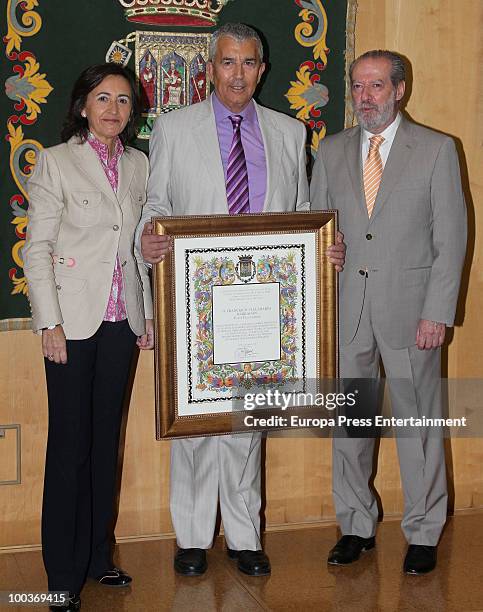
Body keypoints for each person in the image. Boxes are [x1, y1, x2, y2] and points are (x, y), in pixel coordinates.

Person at [137, 23, 345, 578]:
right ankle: (193, 537)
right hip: (193, 295)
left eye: (249, 63)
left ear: (262, 68)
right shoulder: (174, 128)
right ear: (211, 67)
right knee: (197, 422)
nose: (238, 74)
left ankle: (246, 536)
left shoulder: (287, 131)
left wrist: (325, 251)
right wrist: (147, 238)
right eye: (228, 62)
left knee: (249, 420)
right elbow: (156, 201)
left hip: (264, 300)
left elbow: (301, 213)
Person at [310, 50, 467, 575]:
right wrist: (326, 253)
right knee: (350, 425)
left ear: (400, 89)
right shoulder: (329, 152)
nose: (365, 97)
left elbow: (452, 240)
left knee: (418, 427)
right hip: (347, 311)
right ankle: (355, 524)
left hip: (412, 314)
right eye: (358, 87)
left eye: (376, 86)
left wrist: (437, 313)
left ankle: (424, 530)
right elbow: (318, 232)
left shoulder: (437, 150)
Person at [23, 63, 154, 611]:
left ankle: (99, 557)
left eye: (123, 101)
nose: (113, 110)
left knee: (106, 443)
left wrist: (143, 314)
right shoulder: (55, 163)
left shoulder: (139, 164)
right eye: (103, 98)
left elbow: (136, 243)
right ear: (82, 106)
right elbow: (37, 249)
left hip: (121, 322)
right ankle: (62, 575)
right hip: (71, 326)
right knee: (70, 449)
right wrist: (49, 324)